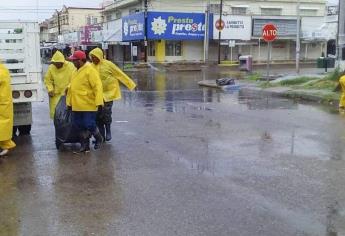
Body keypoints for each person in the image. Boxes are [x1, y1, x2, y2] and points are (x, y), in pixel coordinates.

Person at [89, 48, 136, 141]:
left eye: (95, 57)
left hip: (108, 94)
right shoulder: (90, 66)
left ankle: (108, 131)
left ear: (100, 56)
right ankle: (101, 136)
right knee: (98, 115)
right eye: (92, 57)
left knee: (106, 113)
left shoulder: (108, 64)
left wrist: (131, 85)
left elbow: (120, 74)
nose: (93, 59)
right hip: (96, 95)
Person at [66, 50, 104, 153]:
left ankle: (99, 138)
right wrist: (69, 103)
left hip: (88, 104)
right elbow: (72, 87)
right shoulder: (75, 71)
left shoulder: (90, 70)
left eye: (75, 60)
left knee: (88, 123)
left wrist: (99, 102)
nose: (73, 62)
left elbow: (97, 86)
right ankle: (84, 145)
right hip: (76, 104)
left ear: (81, 60)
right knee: (78, 125)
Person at [44, 50, 75, 119]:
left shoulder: (70, 66)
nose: (56, 65)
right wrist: (50, 89)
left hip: (68, 94)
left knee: (68, 115)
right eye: (55, 63)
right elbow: (48, 80)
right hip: (56, 95)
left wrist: (69, 87)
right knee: (57, 115)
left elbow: (74, 79)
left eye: (58, 63)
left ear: (62, 62)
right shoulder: (51, 67)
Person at [0, 63, 16, 156]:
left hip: (2, 102)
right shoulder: (3, 69)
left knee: (3, 124)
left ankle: (6, 145)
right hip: (4, 102)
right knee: (3, 124)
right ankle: (6, 145)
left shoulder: (1, 71)